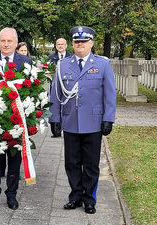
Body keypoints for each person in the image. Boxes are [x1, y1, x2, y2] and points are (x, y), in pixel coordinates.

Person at [49, 26, 116, 214]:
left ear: (91, 43)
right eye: (77, 42)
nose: (80, 45)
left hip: (94, 123)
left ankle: (89, 199)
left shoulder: (102, 64)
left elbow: (110, 94)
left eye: (84, 42)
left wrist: (108, 118)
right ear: (72, 44)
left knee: (91, 164)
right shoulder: (63, 65)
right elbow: (55, 93)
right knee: (71, 163)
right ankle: (76, 196)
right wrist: (54, 118)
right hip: (70, 122)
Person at [0, 27, 32, 210]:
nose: (5, 44)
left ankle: (11, 195)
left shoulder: (25, 62)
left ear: (15, 42)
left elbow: (31, 91)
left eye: (9, 41)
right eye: (2, 41)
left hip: (16, 122)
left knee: (14, 161)